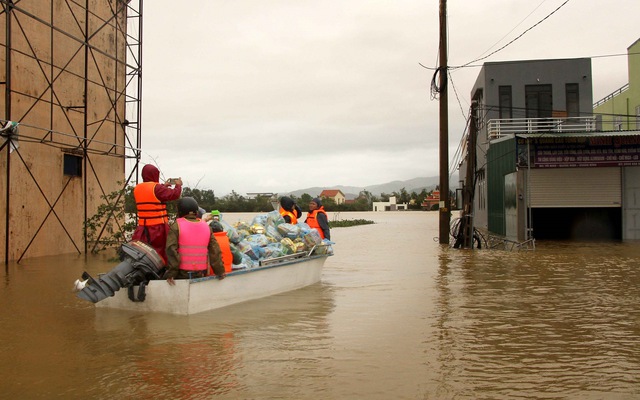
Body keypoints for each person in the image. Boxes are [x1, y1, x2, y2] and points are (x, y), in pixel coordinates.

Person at [164, 197, 226, 285]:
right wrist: (220, 271)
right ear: (196, 212)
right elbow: (215, 251)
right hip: (201, 272)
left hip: (182, 273)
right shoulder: (207, 227)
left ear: (180, 211)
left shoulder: (176, 226)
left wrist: (171, 274)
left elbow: (171, 249)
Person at [132, 164, 182, 264]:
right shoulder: (157, 188)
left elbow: (151, 193)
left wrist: (163, 186)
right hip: (157, 229)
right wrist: (178, 185)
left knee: (146, 253)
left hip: (142, 229)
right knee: (161, 253)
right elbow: (174, 194)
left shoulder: (137, 188)